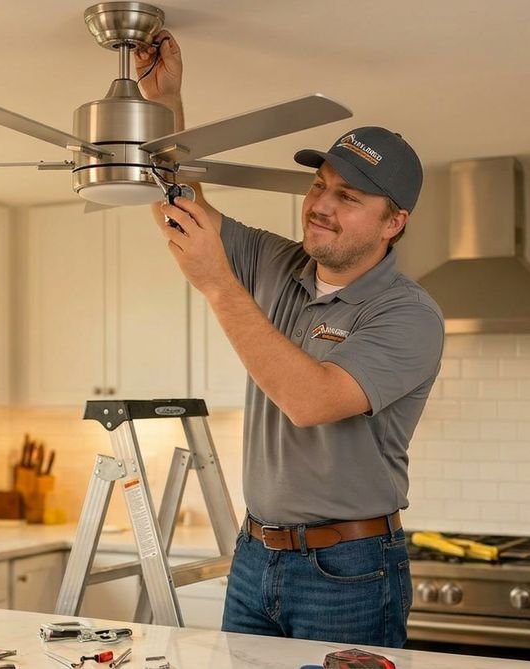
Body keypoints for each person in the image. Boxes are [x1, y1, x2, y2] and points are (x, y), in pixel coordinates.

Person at [135, 31, 444, 647]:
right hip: (255, 556)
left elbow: (313, 401)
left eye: (348, 196)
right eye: (319, 185)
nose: (319, 206)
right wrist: (164, 98)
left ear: (394, 222)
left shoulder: (408, 314)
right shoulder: (282, 264)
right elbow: (179, 208)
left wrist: (219, 288)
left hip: (349, 571)